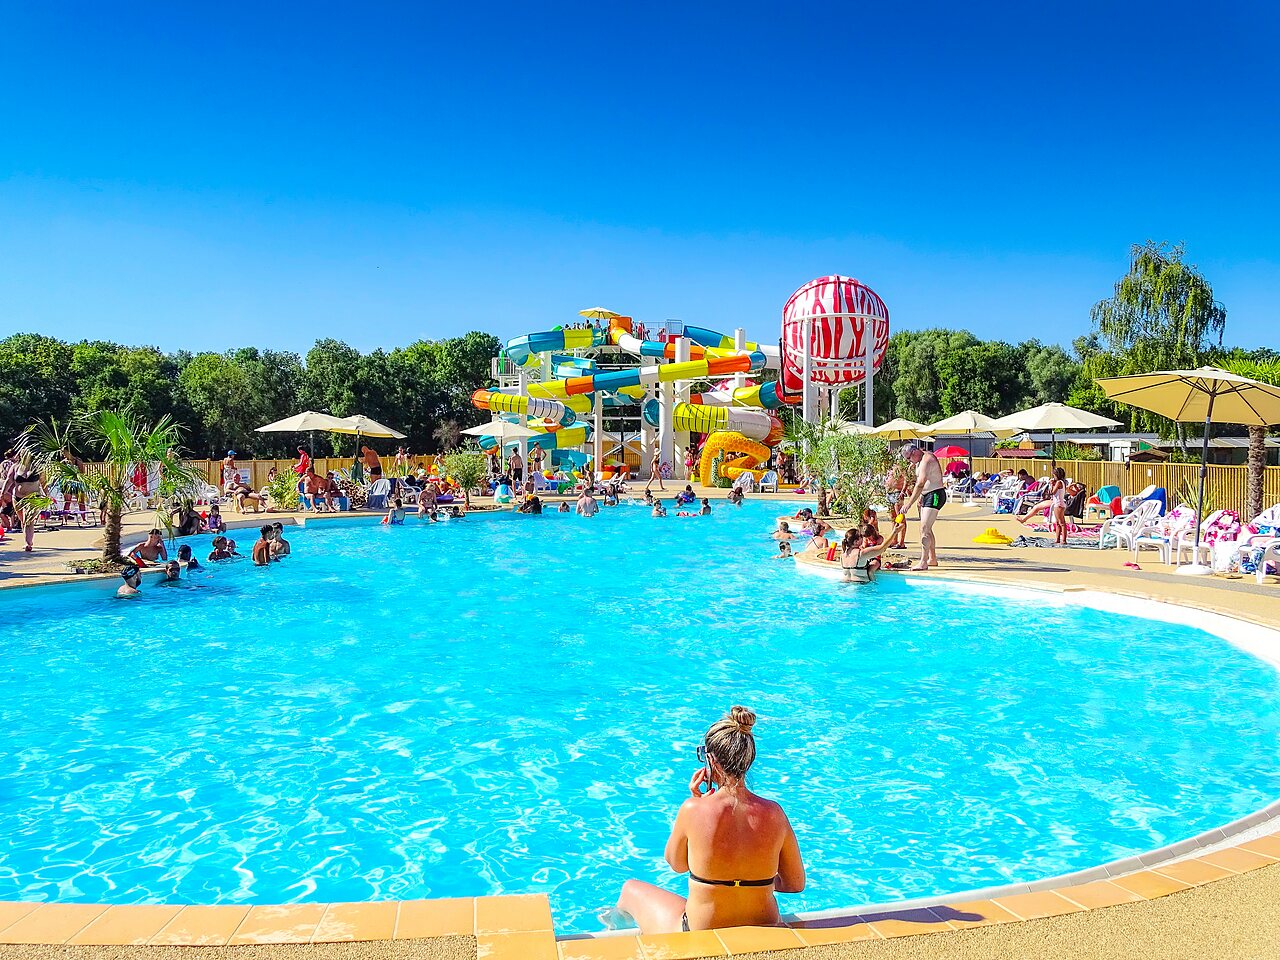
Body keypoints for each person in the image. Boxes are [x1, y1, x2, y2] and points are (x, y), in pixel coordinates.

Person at [616, 706, 805, 933]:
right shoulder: (775, 813)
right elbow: (795, 883)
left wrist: (695, 803)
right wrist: (752, 883)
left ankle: (616, 934)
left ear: (711, 761)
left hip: (700, 930)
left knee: (629, 889)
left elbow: (676, 864)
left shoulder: (693, 809)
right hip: (765, 925)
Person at [898, 443, 945, 571]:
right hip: (927, 495)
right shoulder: (919, 461)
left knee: (924, 528)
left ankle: (923, 562)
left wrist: (909, 504)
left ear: (914, 452)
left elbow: (920, 483)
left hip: (935, 494)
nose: (909, 461)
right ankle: (932, 559)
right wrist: (921, 496)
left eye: (909, 458)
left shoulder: (927, 459)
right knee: (927, 529)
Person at [10, 454, 46, 552]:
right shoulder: (15, 467)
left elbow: (43, 483)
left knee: (28, 520)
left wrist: (47, 496)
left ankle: (28, 543)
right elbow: (9, 481)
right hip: (17, 497)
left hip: (33, 498)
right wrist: (3, 493)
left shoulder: (38, 467)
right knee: (23, 520)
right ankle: (27, 539)